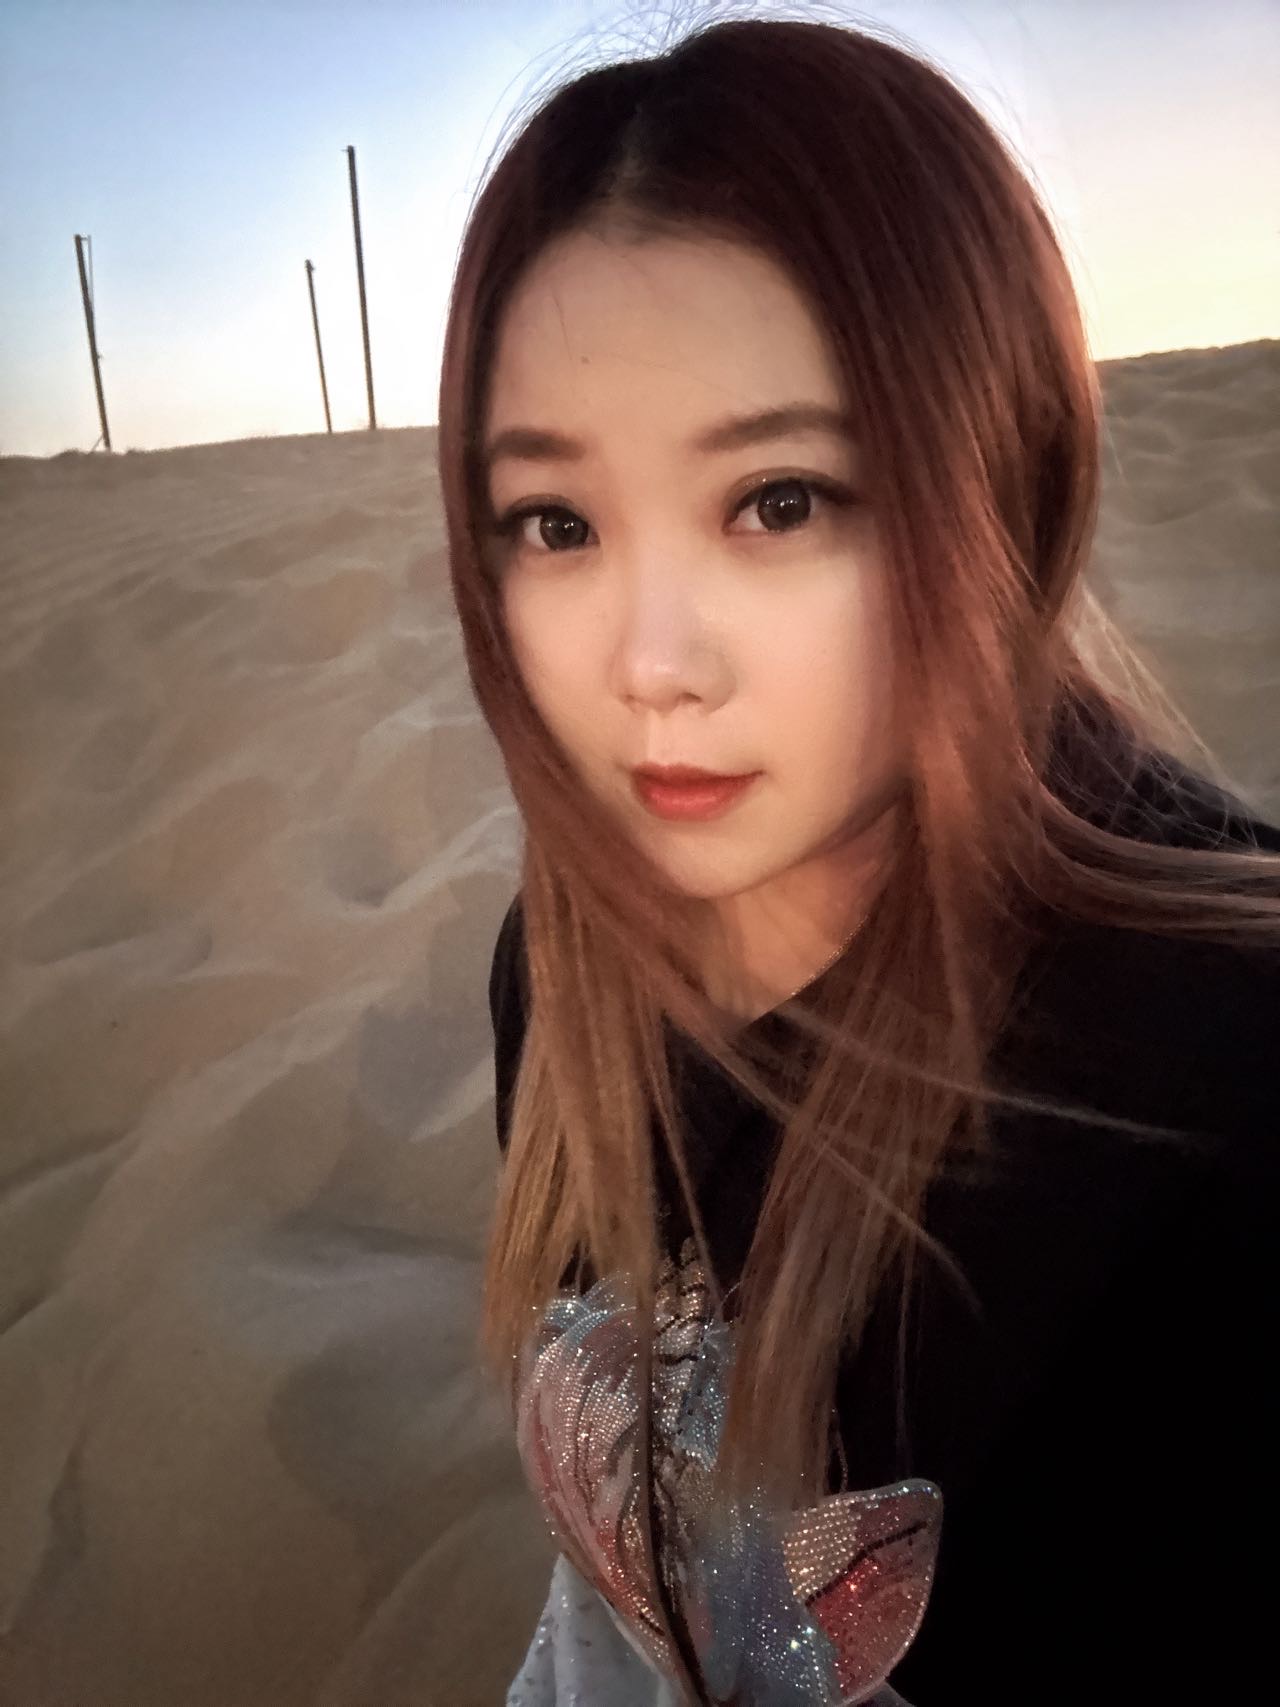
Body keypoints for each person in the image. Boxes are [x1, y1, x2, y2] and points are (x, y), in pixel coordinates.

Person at [434, 13, 1280, 1704]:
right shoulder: (562, 962)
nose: (651, 666)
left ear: (1002, 480)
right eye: (558, 523)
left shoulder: (1219, 1100)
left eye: (781, 500)